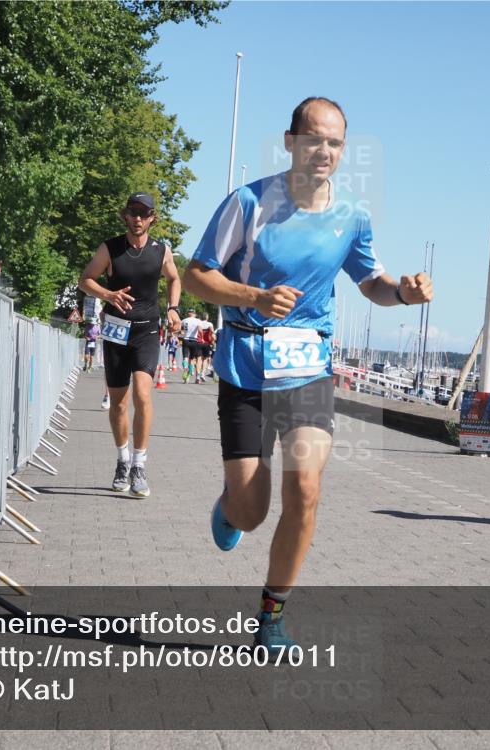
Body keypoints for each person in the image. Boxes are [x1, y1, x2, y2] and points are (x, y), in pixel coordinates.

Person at [183, 96, 433, 655]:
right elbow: (197, 274)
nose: (325, 151)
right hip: (244, 366)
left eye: (336, 143)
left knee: (307, 489)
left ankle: (271, 616)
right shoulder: (247, 204)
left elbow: (372, 282)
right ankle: (230, 506)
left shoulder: (353, 216)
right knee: (252, 510)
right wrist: (254, 296)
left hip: (307, 369)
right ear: (291, 140)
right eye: (315, 139)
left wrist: (404, 294)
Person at [79, 192, 182, 497]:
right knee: (119, 403)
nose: (138, 218)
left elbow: (174, 279)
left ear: (153, 217)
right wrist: (108, 295)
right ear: (125, 215)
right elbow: (85, 279)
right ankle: (122, 460)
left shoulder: (161, 250)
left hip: (147, 330)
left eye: (144, 213)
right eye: (133, 212)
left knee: (142, 393)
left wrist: (173, 308)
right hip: (115, 330)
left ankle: (139, 464)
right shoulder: (110, 248)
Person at [179, 309, 201, 384]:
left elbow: (180, 330)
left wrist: (181, 334)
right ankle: (188, 376)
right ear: (194, 314)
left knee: (185, 357)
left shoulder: (184, 320)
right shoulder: (198, 321)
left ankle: (185, 368)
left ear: (188, 313)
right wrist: (201, 337)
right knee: (191, 359)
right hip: (194, 340)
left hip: (185, 340)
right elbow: (200, 330)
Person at [194, 311, 215, 384]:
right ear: (207, 317)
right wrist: (213, 339)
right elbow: (212, 331)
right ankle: (203, 374)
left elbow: (198, 330)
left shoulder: (198, 323)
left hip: (199, 342)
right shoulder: (209, 324)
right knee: (205, 359)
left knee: (199, 359)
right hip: (207, 343)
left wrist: (201, 337)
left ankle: (197, 376)